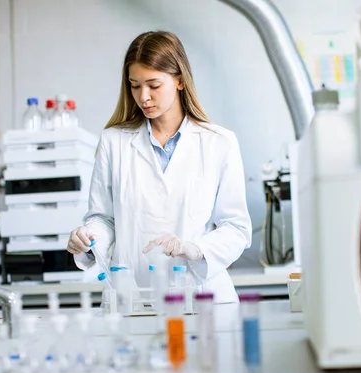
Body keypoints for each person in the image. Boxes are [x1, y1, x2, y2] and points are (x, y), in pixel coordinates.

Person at [66, 31, 252, 304]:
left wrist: (196, 249)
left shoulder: (219, 143)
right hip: (131, 298)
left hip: (198, 295)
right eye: (134, 85)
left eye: (154, 85)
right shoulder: (114, 141)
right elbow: (103, 219)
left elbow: (236, 227)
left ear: (179, 80)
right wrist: (88, 237)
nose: (144, 97)